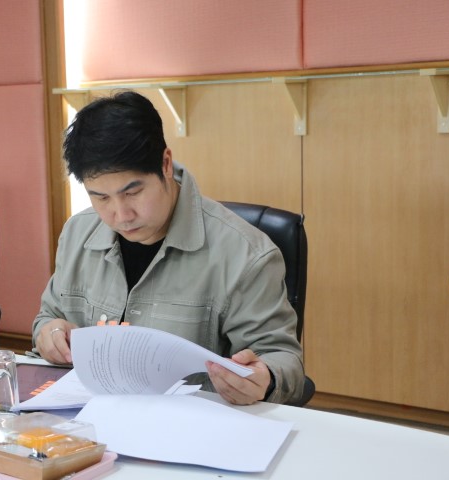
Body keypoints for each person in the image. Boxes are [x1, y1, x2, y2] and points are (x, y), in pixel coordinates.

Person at [32, 91, 304, 405]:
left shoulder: (245, 254)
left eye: (132, 192)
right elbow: (48, 317)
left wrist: (265, 379)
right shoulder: (77, 233)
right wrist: (50, 333)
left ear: (165, 164)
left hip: (192, 424)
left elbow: (284, 361)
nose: (121, 215)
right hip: (88, 421)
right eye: (101, 198)